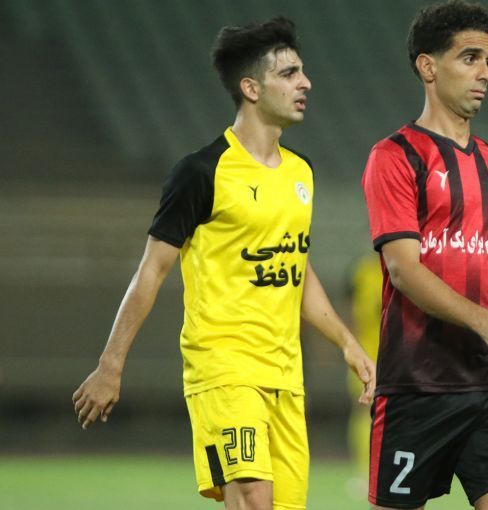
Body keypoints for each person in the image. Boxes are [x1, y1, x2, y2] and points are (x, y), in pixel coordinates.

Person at [72, 17, 375, 510]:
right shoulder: (201, 172)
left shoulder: (301, 172)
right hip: (223, 366)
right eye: (290, 73)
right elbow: (152, 270)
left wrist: (347, 343)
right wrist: (111, 365)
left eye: (303, 72)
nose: (306, 83)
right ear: (251, 88)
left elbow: (296, 267)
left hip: (285, 375)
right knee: (253, 496)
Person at [361, 2, 488, 509]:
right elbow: (403, 270)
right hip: (418, 385)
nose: (486, 73)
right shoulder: (395, 157)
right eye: (470, 58)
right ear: (428, 66)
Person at [347, 253, 383, 483]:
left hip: (365, 355)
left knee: (364, 413)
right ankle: (372, 472)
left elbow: (353, 314)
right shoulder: (399, 268)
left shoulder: (362, 272)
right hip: (381, 355)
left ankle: (366, 473)